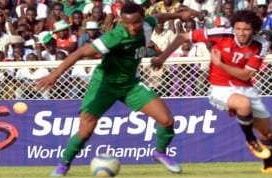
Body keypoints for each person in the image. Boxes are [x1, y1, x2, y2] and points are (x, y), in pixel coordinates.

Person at [36, 2, 196, 176]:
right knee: (85, 131)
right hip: (104, 84)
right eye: (126, 23)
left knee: (167, 120)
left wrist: (179, 16)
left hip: (130, 85)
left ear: (142, 20)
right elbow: (80, 52)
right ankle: (63, 165)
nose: (131, 27)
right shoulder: (115, 37)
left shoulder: (147, 25)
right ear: (121, 21)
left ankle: (159, 153)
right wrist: (54, 75)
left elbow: (158, 17)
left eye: (135, 22)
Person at [150, 10, 272, 173]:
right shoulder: (221, 34)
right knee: (243, 105)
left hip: (245, 87)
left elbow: (246, 74)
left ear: (254, 30)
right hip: (220, 87)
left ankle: (268, 166)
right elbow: (184, 37)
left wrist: (220, 64)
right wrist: (161, 58)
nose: (241, 33)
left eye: (246, 29)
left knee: (268, 133)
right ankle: (250, 140)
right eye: (238, 28)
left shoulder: (261, 45)